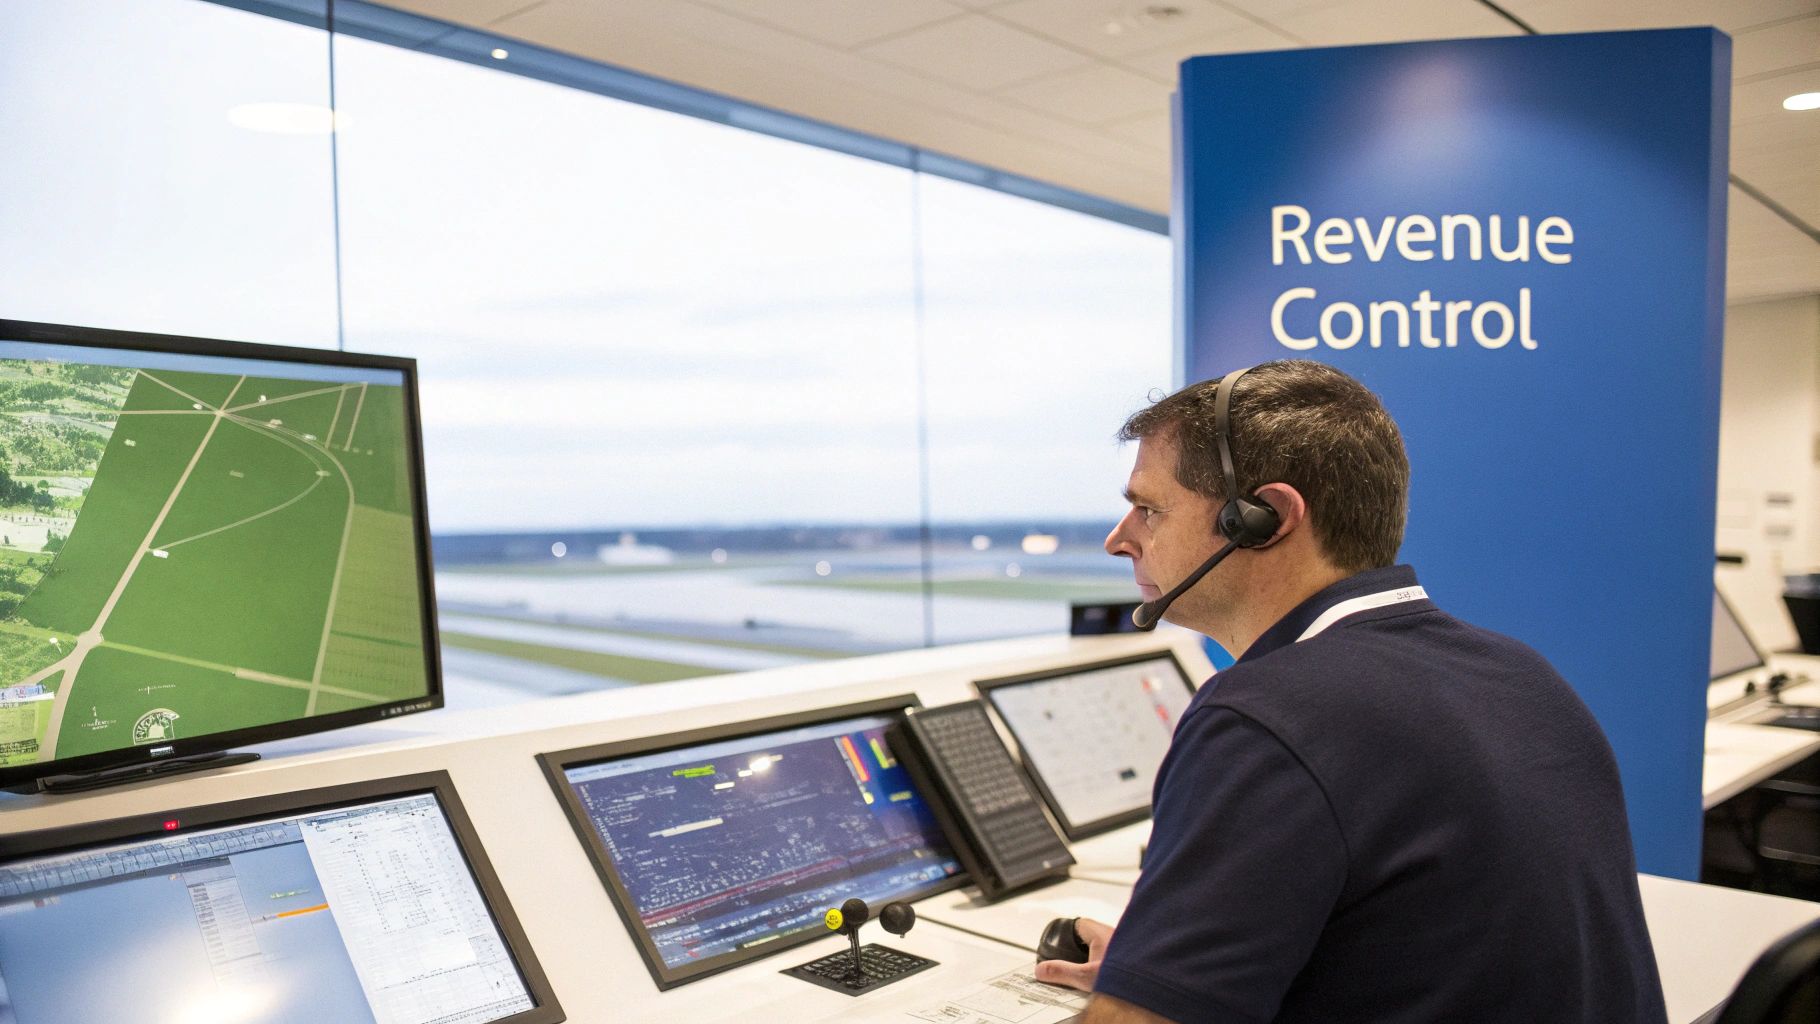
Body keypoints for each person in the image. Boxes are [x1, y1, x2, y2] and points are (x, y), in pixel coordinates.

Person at [1035, 360, 1666, 1023]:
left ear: (1265, 516)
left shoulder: (1265, 717)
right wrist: (1161, 975)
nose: (1119, 540)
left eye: (1148, 508)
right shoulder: (1523, 675)